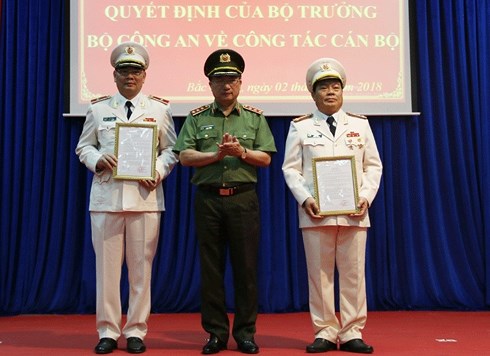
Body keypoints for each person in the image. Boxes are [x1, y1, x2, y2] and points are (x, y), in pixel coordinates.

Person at [76, 41, 178, 354]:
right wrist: (96, 160)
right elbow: (84, 147)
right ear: (114, 74)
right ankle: (107, 331)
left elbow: (171, 150)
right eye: (124, 70)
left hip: (145, 198)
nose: (130, 76)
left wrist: (158, 171)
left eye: (136, 71)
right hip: (107, 199)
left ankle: (136, 330)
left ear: (145, 75)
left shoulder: (159, 110)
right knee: (107, 273)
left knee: (141, 270)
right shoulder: (98, 109)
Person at [173, 49, 276, 354]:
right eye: (219, 79)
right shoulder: (197, 118)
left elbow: (266, 158)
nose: (226, 85)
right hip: (208, 202)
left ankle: (245, 333)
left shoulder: (255, 118)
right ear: (210, 84)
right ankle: (216, 333)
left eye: (231, 79)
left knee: (246, 270)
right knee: (211, 270)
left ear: (241, 83)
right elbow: (184, 156)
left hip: (242, 201)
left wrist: (241, 153)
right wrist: (215, 156)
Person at [282, 58, 382, 354]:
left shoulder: (360, 125)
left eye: (335, 86)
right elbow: (291, 169)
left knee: (353, 274)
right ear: (313, 94)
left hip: (354, 212)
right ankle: (325, 330)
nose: (330, 91)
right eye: (323, 86)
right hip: (316, 212)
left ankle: (352, 331)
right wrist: (306, 198)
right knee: (320, 274)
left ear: (343, 91)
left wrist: (365, 197)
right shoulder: (300, 127)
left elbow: (373, 166)